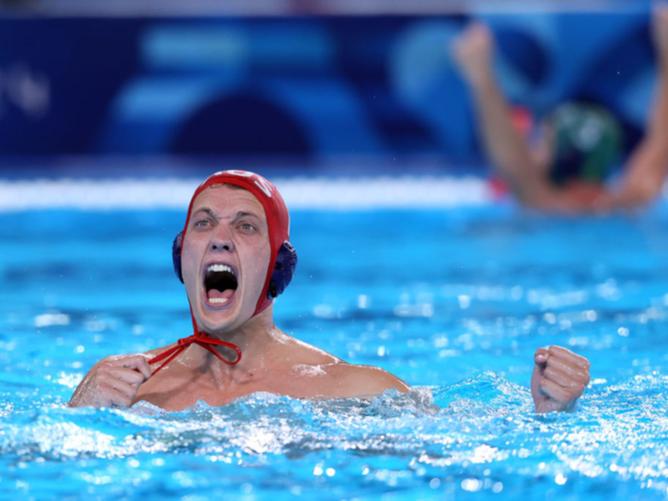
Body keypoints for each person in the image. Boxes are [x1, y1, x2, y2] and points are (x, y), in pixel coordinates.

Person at [68, 170, 590, 413]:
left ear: (277, 266)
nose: (221, 236)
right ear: (182, 256)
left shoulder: (350, 388)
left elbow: (464, 463)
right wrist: (82, 412)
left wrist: (548, 413)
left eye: (246, 227)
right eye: (204, 224)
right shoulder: (125, 389)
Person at [451, 6, 668, 214]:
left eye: (541, 142)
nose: (532, 151)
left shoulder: (544, 204)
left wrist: (482, 78)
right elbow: (660, 142)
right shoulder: (633, 203)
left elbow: (513, 165)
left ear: (561, 158)